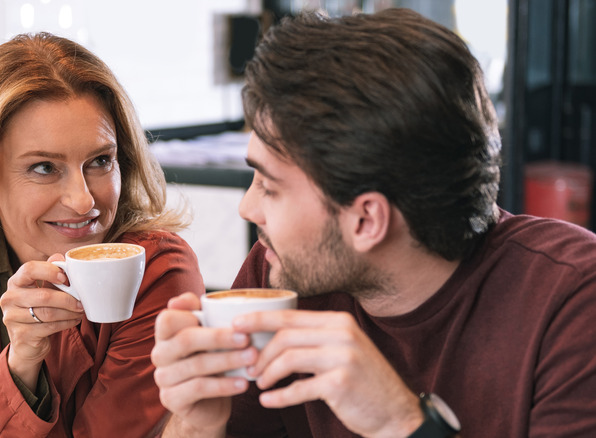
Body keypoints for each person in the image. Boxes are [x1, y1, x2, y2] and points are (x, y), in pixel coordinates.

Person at [151, 8, 596, 438]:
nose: (248, 208)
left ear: (366, 220)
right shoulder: (280, 274)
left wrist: (400, 423)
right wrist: (196, 423)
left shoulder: (573, 301)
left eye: (269, 187)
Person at [0, 32, 204, 436]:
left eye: (100, 160)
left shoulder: (156, 270)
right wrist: (20, 363)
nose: (83, 201)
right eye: (44, 168)